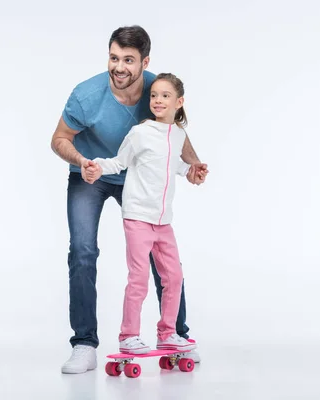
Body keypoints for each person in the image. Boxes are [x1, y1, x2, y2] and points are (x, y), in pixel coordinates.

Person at [50, 25, 208, 374]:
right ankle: (84, 344)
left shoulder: (157, 89)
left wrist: (193, 164)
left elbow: (175, 134)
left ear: (144, 62)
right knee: (83, 250)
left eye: (128, 60)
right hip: (90, 174)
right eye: (113, 58)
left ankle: (176, 335)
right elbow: (59, 138)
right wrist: (81, 162)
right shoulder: (86, 95)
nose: (119, 67)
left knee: (162, 255)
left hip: (137, 179)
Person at [82, 72, 205, 355]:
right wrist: (98, 167)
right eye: (154, 96)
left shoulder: (178, 135)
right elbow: (119, 162)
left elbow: (173, 165)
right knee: (139, 278)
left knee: (173, 276)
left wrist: (192, 172)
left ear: (179, 102)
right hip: (137, 216)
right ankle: (128, 336)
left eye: (165, 96)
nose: (158, 100)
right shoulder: (140, 133)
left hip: (164, 222)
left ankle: (168, 333)